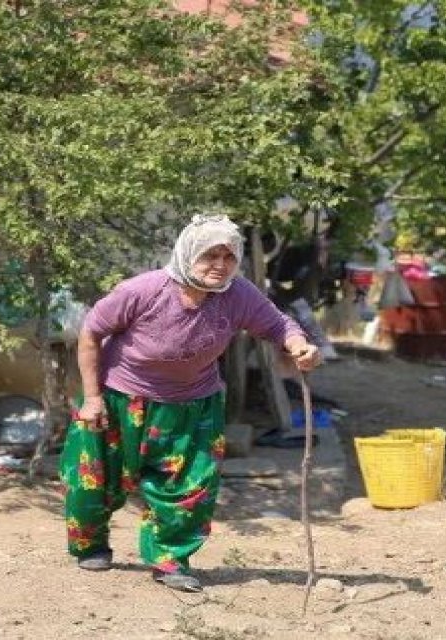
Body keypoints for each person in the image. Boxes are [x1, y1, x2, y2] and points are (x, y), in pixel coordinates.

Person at [60, 214, 322, 593]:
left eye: (229, 256)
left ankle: (170, 559)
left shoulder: (238, 294)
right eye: (209, 255)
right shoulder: (143, 290)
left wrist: (299, 346)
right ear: (187, 253)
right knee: (96, 478)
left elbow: (279, 325)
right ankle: (92, 545)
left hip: (192, 405)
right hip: (120, 398)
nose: (220, 265)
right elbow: (90, 333)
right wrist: (93, 397)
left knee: (189, 485)